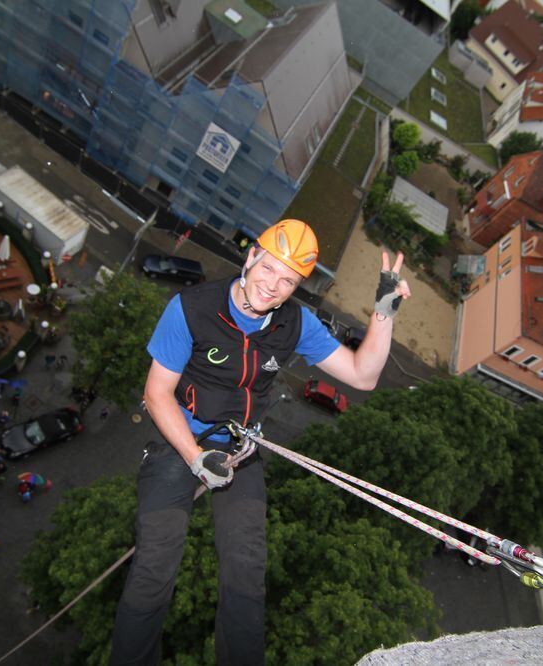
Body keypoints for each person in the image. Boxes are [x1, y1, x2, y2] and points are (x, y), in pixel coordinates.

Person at [109, 219, 410, 665]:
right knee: (155, 568)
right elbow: (156, 395)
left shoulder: (295, 323)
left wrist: (383, 312)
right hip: (181, 444)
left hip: (239, 453)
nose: (272, 286)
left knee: (247, 574)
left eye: (287, 280)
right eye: (268, 269)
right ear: (250, 259)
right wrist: (195, 458)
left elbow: (363, 375)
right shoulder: (191, 308)